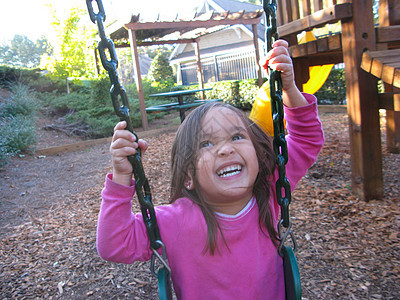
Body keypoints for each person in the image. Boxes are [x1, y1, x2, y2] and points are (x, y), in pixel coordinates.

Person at [97, 40, 324, 299]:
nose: (225, 149)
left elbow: (307, 139)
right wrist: (122, 175)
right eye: (206, 143)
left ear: (259, 157)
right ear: (188, 177)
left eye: (237, 137)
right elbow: (114, 244)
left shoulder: (270, 192)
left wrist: (289, 90)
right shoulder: (176, 221)